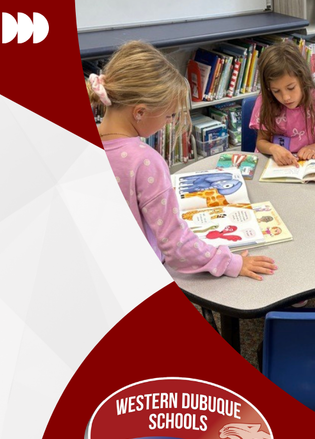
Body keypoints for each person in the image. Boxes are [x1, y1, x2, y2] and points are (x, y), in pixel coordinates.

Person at [89, 40, 276, 280]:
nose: (169, 122)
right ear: (139, 112)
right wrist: (231, 262)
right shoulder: (145, 161)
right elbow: (176, 245)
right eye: (168, 115)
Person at [250, 41, 315, 166]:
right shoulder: (266, 102)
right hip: (276, 166)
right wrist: (273, 148)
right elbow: (261, 141)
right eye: (276, 91)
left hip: (309, 164)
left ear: (302, 79)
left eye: (291, 88)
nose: (286, 97)